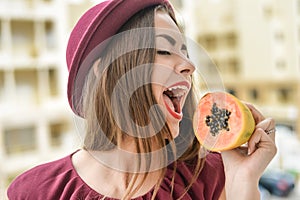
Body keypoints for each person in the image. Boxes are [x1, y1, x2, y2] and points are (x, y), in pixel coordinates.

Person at [7, 0, 277, 199]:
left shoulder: (207, 179)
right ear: (105, 70)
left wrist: (243, 180)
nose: (189, 66)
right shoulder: (36, 192)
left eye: (184, 52)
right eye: (164, 50)